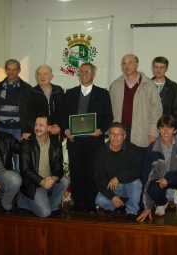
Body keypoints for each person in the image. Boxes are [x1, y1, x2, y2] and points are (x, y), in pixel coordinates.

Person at [60, 62, 113, 213]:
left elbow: (108, 117)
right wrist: (66, 130)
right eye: (82, 71)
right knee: (76, 172)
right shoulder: (70, 93)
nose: (84, 74)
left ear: (94, 74)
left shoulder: (103, 94)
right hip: (74, 141)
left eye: (88, 71)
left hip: (93, 141)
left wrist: (101, 130)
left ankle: (91, 203)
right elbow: (63, 117)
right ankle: (78, 202)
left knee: (92, 172)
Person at [137, 116, 177, 222]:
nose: (166, 131)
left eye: (169, 128)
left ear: (175, 130)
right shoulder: (152, 149)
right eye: (163, 128)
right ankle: (162, 203)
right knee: (152, 188)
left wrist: (168, 178)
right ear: (158, 130)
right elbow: (146, 177)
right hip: (160, 180)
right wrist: (147, 207)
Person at [17, 115, 69, 217]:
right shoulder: (27, 142)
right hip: (33, 183)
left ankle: (53, 207)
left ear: (49, 128)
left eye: (41, 125)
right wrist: (42, 181)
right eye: (36, 124)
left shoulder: (55, 143)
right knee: (45, 213)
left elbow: (59, 168)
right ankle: (22, 199)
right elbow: (25, 169)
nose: (37, 128)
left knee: (65, 181)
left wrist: (53, 178)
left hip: (48, 178)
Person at [110, 54, 162, 148]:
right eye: (124, 63)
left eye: (130, 63)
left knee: (139, 161)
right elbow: (110, 109)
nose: (127, 66)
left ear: (137, 65)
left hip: (141, 133)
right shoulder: (115, 85)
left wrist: (153, 131)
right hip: (120, 133)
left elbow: (156, 109)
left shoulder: (149, 84)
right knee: (121, 161)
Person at [94, 122, 143, 222]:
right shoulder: (101, 152)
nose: (115, 137)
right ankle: (113, 208)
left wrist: (118, 178)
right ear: (109, 135)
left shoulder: (133, 149)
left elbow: (137, 170)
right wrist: (112, 197)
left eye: (119, 134)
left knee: (136, 183)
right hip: (111, 188)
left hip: (128, 186)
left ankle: (131, 211)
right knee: (99, 200)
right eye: (113, 134)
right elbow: (99, 179)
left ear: (124, 136)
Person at [152, 56, 177, 203]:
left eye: (161, 67)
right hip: (151, 132)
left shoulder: (174, 87)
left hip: (168, 132)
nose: (158, 70)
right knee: (154, 163)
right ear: (153, 68)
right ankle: (154, 194)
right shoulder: (146, 85)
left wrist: (176, 133)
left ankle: (170, 194)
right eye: (156, 67)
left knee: (169, 162)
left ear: (166, 69)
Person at [0, 59, 32, 173]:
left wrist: (28, 129)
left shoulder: (27, 88)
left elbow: (30, 112)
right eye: (9, 70)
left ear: (19, 70)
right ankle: (5, 190)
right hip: (1, 130)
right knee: (2, 164)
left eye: (14, 70)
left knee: (20, 164)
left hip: (19, 131)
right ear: (5, 70)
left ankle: (20, 191)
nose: (11, 72)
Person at [24, 65, 64, 138]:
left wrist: (57, 125)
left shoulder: (58, 91)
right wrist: (44, 127)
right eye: (39, 74)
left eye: (45, 74)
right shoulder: (32, 92)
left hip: (56, 131)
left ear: (51, 76)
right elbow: (29, 116)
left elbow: (63, 112)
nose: (42, 77)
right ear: (37, 76)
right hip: (38, 133)